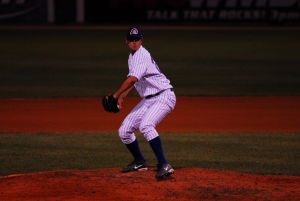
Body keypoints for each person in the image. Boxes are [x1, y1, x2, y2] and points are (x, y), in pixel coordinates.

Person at [112, 27, 176, 178]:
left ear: (141, 40)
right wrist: (123, 96)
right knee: (124, 131)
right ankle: (140, 161)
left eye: (137, 40)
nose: (134, 43)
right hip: (149, 99)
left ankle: (164, 164)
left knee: (146, 125)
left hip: (163, 96)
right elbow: (135, 80)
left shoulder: (142, 55)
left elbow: (133, 79)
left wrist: (116, 95)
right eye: (132, 40)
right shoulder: (132, 56)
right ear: (126, 41)